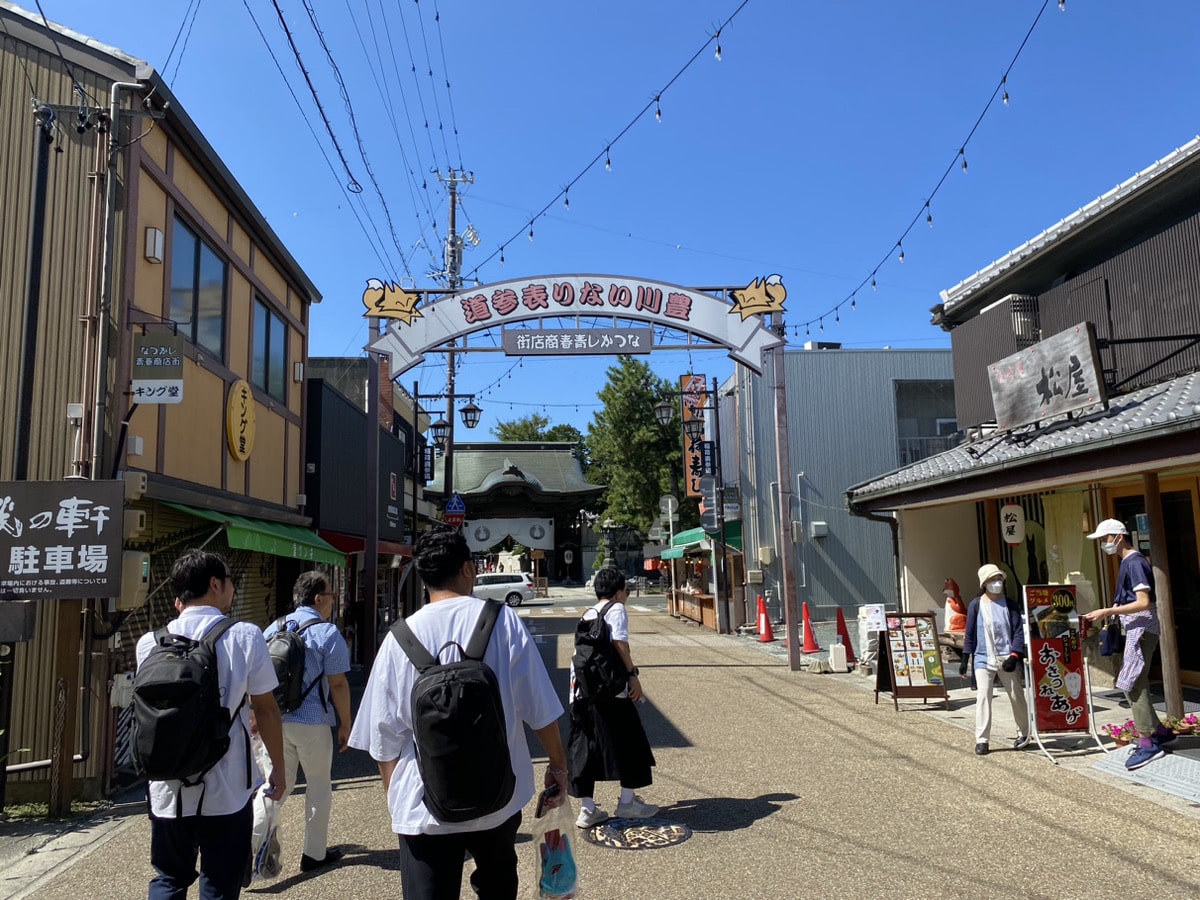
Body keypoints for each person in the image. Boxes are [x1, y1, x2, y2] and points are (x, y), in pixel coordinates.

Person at [349, 526, 567, 900]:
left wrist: (396, 797)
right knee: (498, 886)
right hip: (498, 797)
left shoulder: (400, 638)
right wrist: (558, 766)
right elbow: (540, 706)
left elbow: (383, 738)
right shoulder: (503, 622)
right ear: (468, 569)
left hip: (425, 808)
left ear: (423, 574)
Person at [136, 549, 286, 900]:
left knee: (168, 878)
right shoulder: (245, 635)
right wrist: (277, 767)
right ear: (215, 584)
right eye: (231, 581)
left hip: (167, 785)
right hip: (227, 785)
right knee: (220, 881)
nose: (233, 589)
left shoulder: (149, 643)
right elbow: (265, 709)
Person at [263, 570, 352, 873]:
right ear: (318, 598)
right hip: (313, 721)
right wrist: (345, 723)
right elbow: (337, 684)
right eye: (330, 596)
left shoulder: (274, 627)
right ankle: (313, 855)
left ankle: (252, 849)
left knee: (275, 786)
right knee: (318, 787)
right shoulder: (327, 633)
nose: (332, 602)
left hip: (276, 720)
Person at [1083, 518, 1176, 770]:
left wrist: (1106, 611)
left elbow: (1143, 601)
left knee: (1132, 682)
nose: (1104, 544)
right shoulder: (1130, 562)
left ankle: (1147, 742)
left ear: (1118, 537)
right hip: (1138, 627)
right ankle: (1157, 731)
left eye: (1105, 539)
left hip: (1141, 627)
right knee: (1135, 680)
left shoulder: (1134, 563)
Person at [568, 567, 658, 827]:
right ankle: (627, 802)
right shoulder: (616, 609)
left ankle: (587, 809)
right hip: (611, 690)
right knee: (630, 741)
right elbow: (620, 643)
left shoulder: (588, 613)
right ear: (618, 592)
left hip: (582, 690)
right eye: (626, 591)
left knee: (586, 746)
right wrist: (632, 674)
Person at [960, 564, 1030, 756]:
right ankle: (982, 739)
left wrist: (1015, 655)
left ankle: (1024, 733)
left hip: (1007, 657)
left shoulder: (1010, 604)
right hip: (983, 657)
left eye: (999, 579)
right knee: (983, 696)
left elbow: (1017, 632)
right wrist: (965, 658)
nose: (997, 583)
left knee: (1016, 695)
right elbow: (970, 633)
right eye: (992, 580)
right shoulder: (976, 604)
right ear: (984, 583)